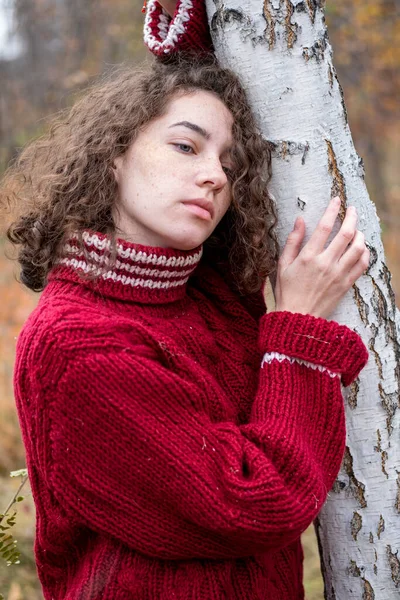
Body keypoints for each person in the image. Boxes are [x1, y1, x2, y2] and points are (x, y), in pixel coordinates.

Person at [1, 10, 369, 600]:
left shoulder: (198, 290)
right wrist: (296, 330)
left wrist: (200, 23)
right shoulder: (79, 345)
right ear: (114, 153)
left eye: (229, 163)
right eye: (185, 147)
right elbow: (253, 502)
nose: (213, 177)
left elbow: (226, 67)